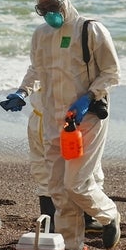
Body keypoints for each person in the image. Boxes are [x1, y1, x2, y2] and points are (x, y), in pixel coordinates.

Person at [2, 0, 121, 250]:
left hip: (86, 117)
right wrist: (22, 92)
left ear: (65, 2)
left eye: (52, 8)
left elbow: (112, 73)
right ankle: (70, 246)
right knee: (57, 187)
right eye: (42, 11)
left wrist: (87, 97)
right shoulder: (41, 35)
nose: (49, 15)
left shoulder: (90, 30)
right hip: (55, 120)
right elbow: (36, 70)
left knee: (76, 183)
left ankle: (109, 214)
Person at [26, 88, 103, 234]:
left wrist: (22, 91)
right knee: (48, 170)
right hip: (52, 119)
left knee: (87, 168)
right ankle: (54, 222)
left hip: (68, 118)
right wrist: (22, 91)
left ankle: (81, 219)